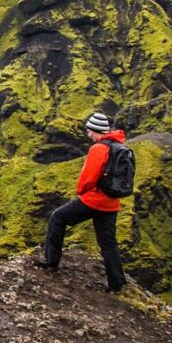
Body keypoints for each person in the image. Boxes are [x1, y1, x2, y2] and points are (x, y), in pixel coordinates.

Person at [36, 110, 127, 291]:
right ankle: (117, 284)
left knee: (58, 217)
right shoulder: (118, 146)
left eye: (89, 130)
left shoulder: (99, 148)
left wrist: (80, 193)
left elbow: (88, 178)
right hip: (111, 203)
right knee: (108, 243)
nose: (87, 134)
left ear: (96, 130)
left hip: (94, 200)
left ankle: (51, 260)